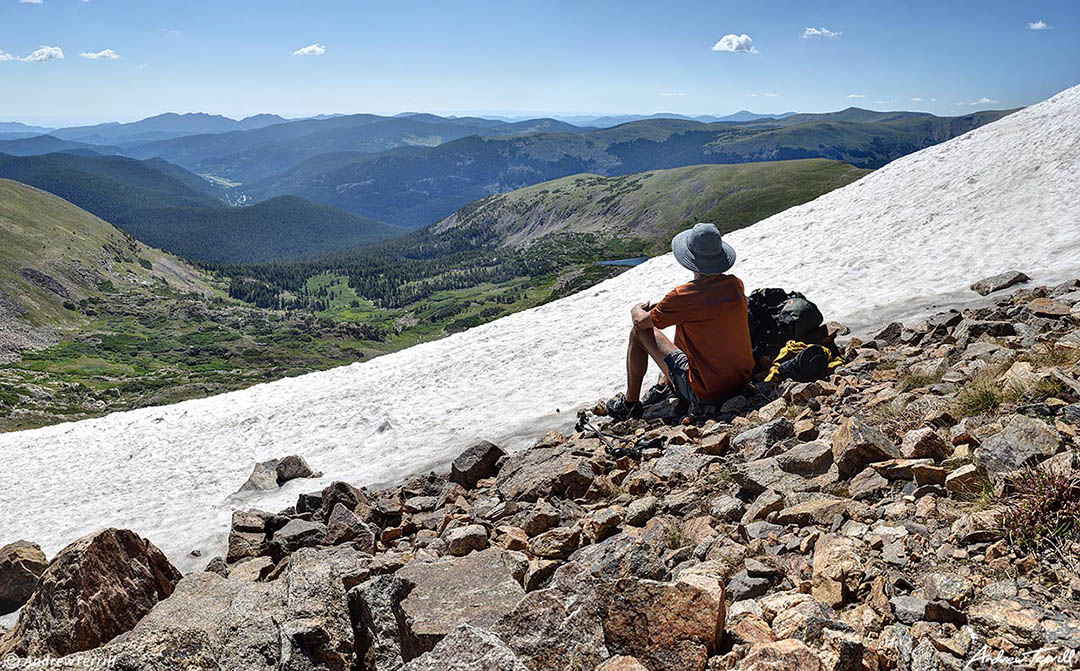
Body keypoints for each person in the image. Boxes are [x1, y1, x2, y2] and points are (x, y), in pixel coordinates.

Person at [606, 223, 754, 420]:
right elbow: (703, 306)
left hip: (707, 391)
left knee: (638, 333)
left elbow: (642, 322)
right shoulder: (735, 284)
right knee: (688, 325)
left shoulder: (683, 296)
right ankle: (665, 384)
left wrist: (636, 309)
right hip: (741, 381)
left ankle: (630, 404)